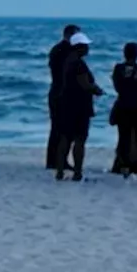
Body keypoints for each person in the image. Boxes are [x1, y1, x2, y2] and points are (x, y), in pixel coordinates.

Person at [56, 32, 102, 182]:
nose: (88, 48)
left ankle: (60, 171)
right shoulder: (79, 64)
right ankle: (77, 172)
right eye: (86, 46)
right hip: (79, 106)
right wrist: (96, 90)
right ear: (80, 47)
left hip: (66, 104)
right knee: (80, 139)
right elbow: (85, 84)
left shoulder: (68, 61)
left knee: (65, 138)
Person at [110, 43, 137, 177]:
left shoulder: (118, 68)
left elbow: (117, 87)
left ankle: (124, 165)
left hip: (124, 105)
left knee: (124, 137)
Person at [46, 24, 80, 170]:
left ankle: (54, 159)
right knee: (63, 129)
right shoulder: (66, 51)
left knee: (57, 128)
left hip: (56, 91)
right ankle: (58, 160)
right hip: (62, 92)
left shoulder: (57, 49)